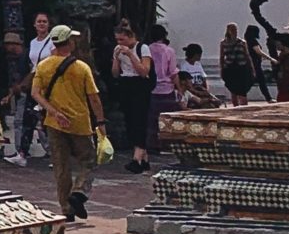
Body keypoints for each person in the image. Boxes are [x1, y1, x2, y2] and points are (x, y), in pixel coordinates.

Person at [32, 24, 106, 222]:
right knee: (89, 159)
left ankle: (66, 208)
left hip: (54, 123)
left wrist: (54, 112)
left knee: (61, 166)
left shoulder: (43, 66)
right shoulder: (81, 68)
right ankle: (79, 191)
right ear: (70, 43)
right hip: (80, 122)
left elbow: (35, 94)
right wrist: (100, 121)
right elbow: (94, 98)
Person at [4, 12, 55, 166]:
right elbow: (32, 65)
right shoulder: (33, 43)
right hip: (35, 81)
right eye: (39, 21)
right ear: (34, 24)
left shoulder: (52, 42)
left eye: (44, 21)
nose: (41, 24)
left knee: (48, 119)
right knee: (28, 117)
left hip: (48, 82)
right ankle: (22, 153)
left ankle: (55, 153)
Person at [110, 20, 154, 171]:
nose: (120, 42)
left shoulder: (143, 48)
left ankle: (137, 157)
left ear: (130, 37)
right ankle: (144, 158)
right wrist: (116, 58)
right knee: (130, 120)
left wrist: (130, 55)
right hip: (126, 83)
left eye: (122, 39)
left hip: (140, 85)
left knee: (139, 119)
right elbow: (115, 73)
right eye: (117, 40)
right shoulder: (117, 49)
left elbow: (144, 71)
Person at [145, 22, 180, 156]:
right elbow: (173, 72)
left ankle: (152, 144)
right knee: (167, 120)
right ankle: (166, 144)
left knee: (152, 119)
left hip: (152, 89)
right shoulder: (169, 51)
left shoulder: (146, 49)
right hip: (167, 89)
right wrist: (179, 89)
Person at [218, 23, 255, 106]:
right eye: (233, 30)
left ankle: (244, 108)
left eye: (236, 30)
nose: (235, 32)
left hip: (241, 68)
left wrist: (252, 68)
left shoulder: (242, 42)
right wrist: (221, 69)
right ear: (228, 31)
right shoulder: (223, 43)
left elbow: (247, 56)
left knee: (242, 91)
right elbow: (222, 57)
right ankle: (235, 107)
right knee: (233, 91)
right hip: (230, 69)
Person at [179, 43, 218, 109]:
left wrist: (206, 90)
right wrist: (198, 92)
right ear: (195, 55)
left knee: (216, 102)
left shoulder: (198, 65)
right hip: (193, 91)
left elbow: (204, 78)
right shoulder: (184, 66)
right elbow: (188, 85)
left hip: (201, 89)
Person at [245, 23, 275, 101]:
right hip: (256, 65)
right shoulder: (253, 41)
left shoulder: (246, 41)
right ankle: (268, 98)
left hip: (249, 64)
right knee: (262, 82)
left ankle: (241, 97)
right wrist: (271, 59)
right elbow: (259, 52)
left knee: (249, 81)